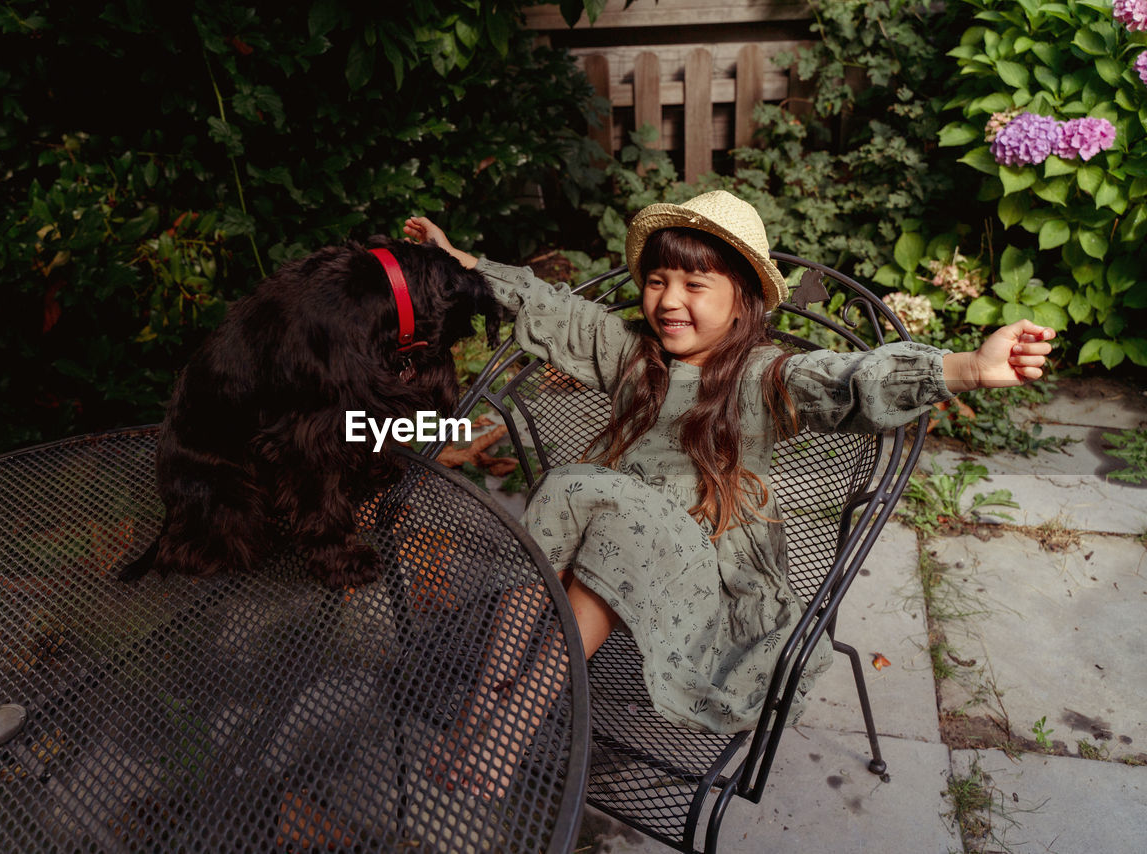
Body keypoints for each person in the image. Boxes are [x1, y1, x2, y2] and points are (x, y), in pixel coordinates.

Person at [403, 190, 1055, 793]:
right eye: (657, 280)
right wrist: (457, 259)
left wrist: (967, 367)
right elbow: (547, 308)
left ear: (742, 299)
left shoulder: (762, 377)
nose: (668, 298)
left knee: (581, 489)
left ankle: (510, 723)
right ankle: (488, 701)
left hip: (711, 583)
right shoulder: (632, 355)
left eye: (694, 283)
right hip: (616, 550)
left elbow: (849, 379)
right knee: (576, 491)